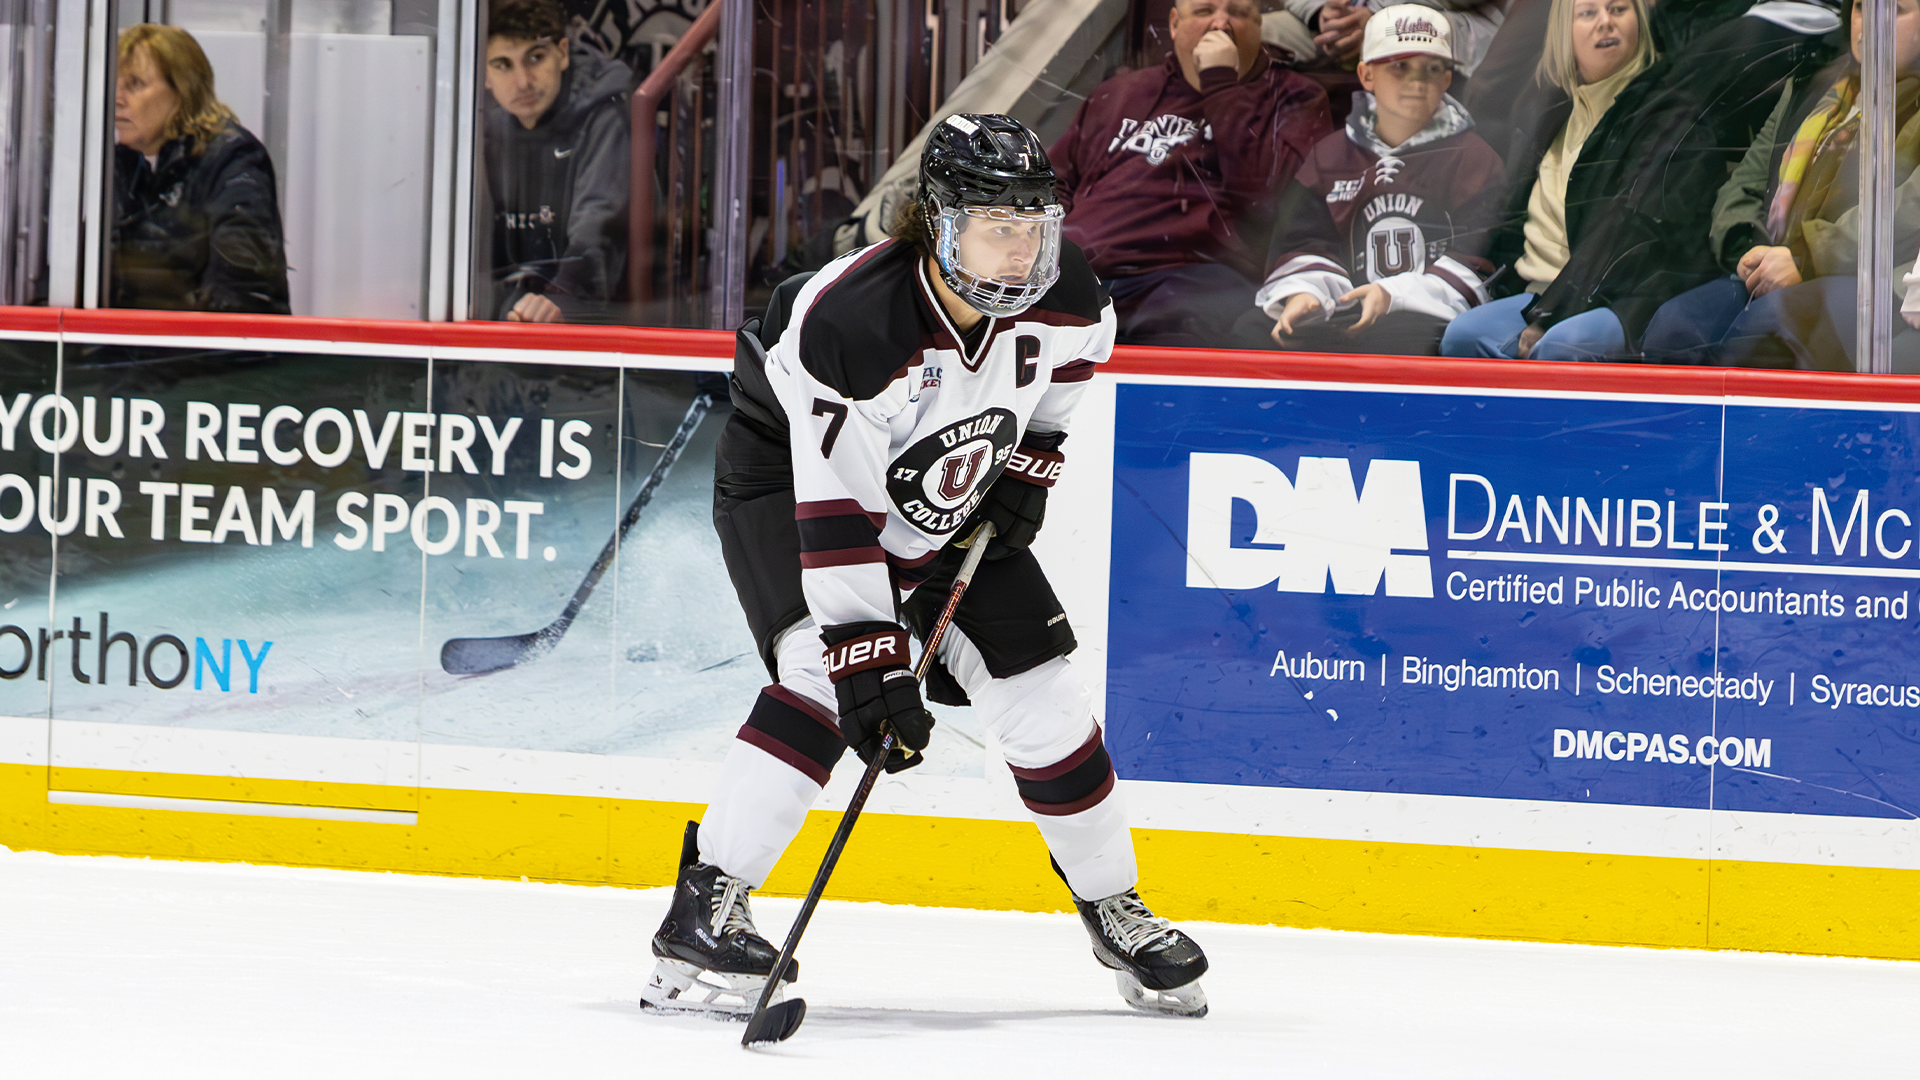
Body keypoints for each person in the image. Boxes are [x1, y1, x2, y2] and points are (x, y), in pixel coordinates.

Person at [643, 114, 1209, 1021]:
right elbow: (840, 520)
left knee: (1046, 699)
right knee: (821, 678)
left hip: (954, 481)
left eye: (1035, 225)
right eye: (997, 225)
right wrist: (872, 661)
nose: (1022, 250)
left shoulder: (1065, 286)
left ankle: (1114, 905)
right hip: (788, 482)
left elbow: (1075, 364)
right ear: (936, 223)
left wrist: (1035, 457)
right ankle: (704, 908)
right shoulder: (853, 325)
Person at [1642, 0, 1920, 369]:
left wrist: (1803, 257)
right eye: (1859, 8)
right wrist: (1753, 249)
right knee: (1673, 328)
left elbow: (1908, 208)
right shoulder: (1812, 88)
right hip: (1773, 258)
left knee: (1763, 332)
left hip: (1871, 277)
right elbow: (1744, 184)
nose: (1870, 24)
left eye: (1894, 11)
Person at [1049, 0, 1333, 346]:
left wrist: (1221, 84)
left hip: (1191, 277)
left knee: (1196, 324)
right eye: (1204, 11)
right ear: (1173, 24)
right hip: (1083, 271)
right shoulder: (1122, 92)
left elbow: (1267, 203)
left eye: (1238, 13)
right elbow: (1055, 184)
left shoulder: (1294, 97)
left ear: (1259, 26)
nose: (1220, 24)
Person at [1250, 7, 1505, 355]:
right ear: (1366, 74)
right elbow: (1304, 243)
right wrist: (1306, 293)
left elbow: (1478, 263)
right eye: (1399, 67)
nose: (1417, 83)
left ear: (1447, 79)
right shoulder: (1329, 156)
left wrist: (1392, 296)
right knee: (1251, 330)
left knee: (1395, 343)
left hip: (1426, 313)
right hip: (1343, 306)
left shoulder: (1475, 159)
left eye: (1432, 69)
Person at [110, 24, 288, 314]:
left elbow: (242, 296)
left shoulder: (232, 158)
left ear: (182, 90)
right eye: (114, 85)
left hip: (204, 355)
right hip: (130, 352)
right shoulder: (116, 168)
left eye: (135, 85)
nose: (117, 99)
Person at [482, 0, 631, 323]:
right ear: (483, 74)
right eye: (503, 64)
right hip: (509, 323)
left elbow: (599, 229)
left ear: (562, 53)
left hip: (599, 329)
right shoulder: (473, 131)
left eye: (535, 58)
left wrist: (562, 299)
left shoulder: (603, 119)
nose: (522, 81)